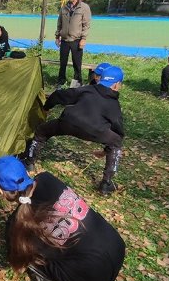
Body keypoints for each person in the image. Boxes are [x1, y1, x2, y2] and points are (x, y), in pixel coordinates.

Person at [0, 156, 125, 281]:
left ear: (1, 191)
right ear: (27, 172)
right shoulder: (47, 179)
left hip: (92, 278)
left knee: (28, 254)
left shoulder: (17, 227)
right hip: (116, 247)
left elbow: (19, 265)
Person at [23, 65, 125, 196]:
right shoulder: (113, 104)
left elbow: (60, 95)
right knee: (116, 143)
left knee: (42, 131)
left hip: (68, 122)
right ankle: (106, 183)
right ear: (116, 85)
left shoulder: (87, 89)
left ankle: (29, 162)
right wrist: (106, 150)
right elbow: (118, 129)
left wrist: (47, 107)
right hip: (95, 131)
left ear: (100, 79)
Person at [55, 0, 92, 87]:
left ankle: (77, 82)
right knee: (63, 63)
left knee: (77, 63)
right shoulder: (64, 8)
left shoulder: (84, 8)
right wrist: (57, 36)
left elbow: (86, 24)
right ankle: (61, 81)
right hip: (64, 40)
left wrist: (83, 38)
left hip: (76, 40)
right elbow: (59, 23)